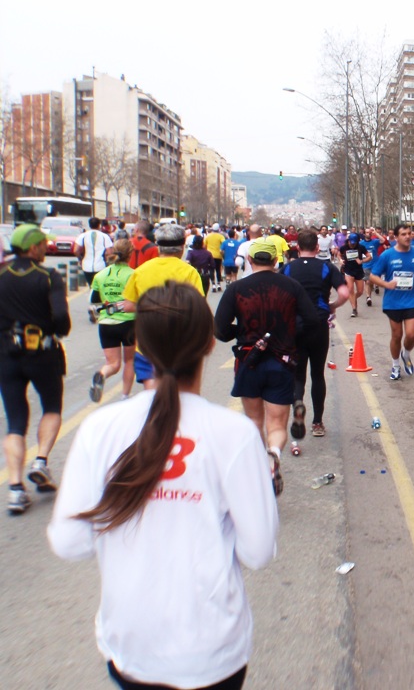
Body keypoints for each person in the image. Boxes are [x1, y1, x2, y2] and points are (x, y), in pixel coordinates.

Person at [48, 282, 278, 689]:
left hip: (132, 646)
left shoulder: (99, 429)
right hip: (213, 650)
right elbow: (257, 552)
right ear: (209, 345)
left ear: (139, 346)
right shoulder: (235, 434)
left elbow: (71, 542)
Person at [215, 239, 322, 489]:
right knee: (276, 424)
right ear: (276, 261)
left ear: (250, 261)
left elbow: (219, 329)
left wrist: (240, 332)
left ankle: (256, 469)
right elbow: (312, 320)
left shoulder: (237, 289)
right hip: (281, 362)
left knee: (253, 421)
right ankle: (273, 454)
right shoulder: (292, 287)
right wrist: (289, 334)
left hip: (248, 361)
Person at [0, 225, 71, 515]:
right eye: (43, 244)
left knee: (15, 420)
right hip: (41, 352)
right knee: (52, 406)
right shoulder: (48, 277)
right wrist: (56, 331)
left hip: (6, 353)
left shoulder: (1, 274)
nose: (46, 247)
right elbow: (62, 317)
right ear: (32, 248)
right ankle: (40, 460)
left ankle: (16, 488)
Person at [281, 229, 349, 440]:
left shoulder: (288, 268)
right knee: (317, 374)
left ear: (297, 248)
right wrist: (332, 306)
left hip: (295, 326)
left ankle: (298, 405)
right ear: (318, 248)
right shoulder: (326, 267)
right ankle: (318, 422)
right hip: (318, 324)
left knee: (297, 374)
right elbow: (345, 293)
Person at [121, 223, 205, 390]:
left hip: (147, 340)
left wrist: (151, 308)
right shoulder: (189, 272)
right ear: (182, 247)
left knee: (152, 392)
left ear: (158, 247)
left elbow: (128, 306)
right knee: (182, 392)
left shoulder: (140, 271)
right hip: (180, 343)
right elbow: (197, 306)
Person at [369, 224, 414, 381]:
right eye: (403, 234)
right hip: (392, 302)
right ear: (396, 237)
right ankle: (395, 365)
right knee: (397, 335)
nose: (407, 236)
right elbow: (373, 276)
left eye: (409, 234)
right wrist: (386, 284)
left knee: (411, 334)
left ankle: (406, 354)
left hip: (411, 300)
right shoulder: (387, 255)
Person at [88, 239, 136, 403]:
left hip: (106, 324)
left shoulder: (100, 275)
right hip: (128, 323)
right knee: (129, 361)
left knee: (113, 364)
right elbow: (138, 302)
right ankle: (124, 396)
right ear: (130, 255)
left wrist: (111, 309)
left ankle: (102, 374)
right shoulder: (132, 275)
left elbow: (95, 304)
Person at [75, 217, 115, 287]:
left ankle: (92, 296)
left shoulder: (82, 236)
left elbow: (76, 250)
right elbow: (110, 253)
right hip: (101, 266)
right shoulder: (105, 236)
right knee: (100, 287)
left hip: (86, 266)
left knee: (92, 286)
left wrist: (81, 258)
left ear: (89, 225)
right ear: (99, 225)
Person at [340, 232, 371, 318]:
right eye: (351, 242)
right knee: (350, 290)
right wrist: (340, 260)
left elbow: (369, 257)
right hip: (348, 270)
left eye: (354, 243)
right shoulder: (344, 247)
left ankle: (353, 298)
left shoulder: (361, 247)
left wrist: (362, 261)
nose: (352, 244)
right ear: (348, 240)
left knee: (360, 291)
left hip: (358, 271)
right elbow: (339, 254)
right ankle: (354, 309)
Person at [360, 227, 381, 308]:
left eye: (370, 232)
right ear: (364, 234)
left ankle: (370, 293)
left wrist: (376, 233)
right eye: (367, 232)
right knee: (367, 282)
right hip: (366, 265)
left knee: (371, 282)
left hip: (375, 264)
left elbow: (383, 240)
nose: (368, 234)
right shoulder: (361, 243)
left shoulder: (375, 241)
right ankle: (368, 297)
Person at [204, 224, 226, 292]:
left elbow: (204, 245)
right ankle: (219, 284)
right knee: (218, 270)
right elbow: (224, 244)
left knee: (211, 270)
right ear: (218, 229)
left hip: (209, 255)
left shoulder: (208, 236)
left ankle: (213, 284)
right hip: (218, 255)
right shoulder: (221, 236)